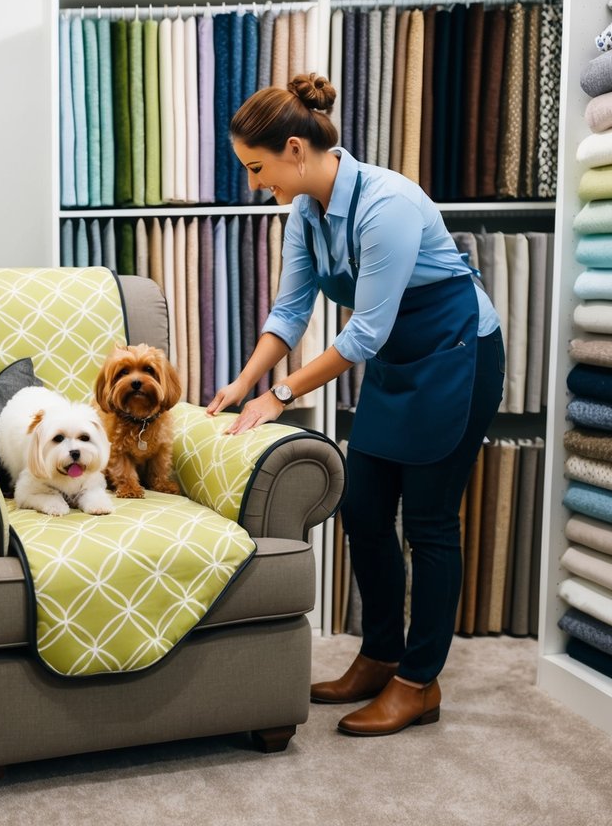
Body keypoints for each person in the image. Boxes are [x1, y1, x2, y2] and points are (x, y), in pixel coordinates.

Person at [207, 73, 506, 737]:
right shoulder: (305, 213)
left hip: (456, 355)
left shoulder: (386, 205)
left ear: (293, 148)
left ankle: (417, 682)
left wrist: (280, 395)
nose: (256, 183)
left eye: (257, 168)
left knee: (428, 525)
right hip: (400, 362)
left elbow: (363, 332)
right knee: (364, 509)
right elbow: (289, 310)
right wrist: (240, 384)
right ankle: (378, 655)